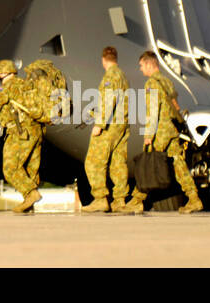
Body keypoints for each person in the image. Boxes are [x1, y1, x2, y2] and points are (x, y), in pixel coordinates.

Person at [118, 52, 203, 214]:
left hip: (161, 131)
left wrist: (149, 135)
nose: (141, 69)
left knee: (148, 163)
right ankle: (194, 198)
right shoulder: (167, 81)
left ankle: (137, 200)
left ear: (150, 65)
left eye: (142, 66)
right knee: (179, 163)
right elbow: (175, 105)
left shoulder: (152, 83)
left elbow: (152, 111)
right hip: (172, 128)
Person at [0, 59, 43, 213]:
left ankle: (31, 194)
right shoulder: (28, 85)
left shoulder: (4, 89)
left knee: (10, 168)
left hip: (19, 132)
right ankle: (29, 204)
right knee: (30, 169)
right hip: (37, 130)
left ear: (2, 74)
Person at [81, 46, 129, 213]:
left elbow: (108, 101)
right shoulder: (122, 75)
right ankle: (120, 200)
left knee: (93, 162)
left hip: (109, 126)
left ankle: (100, 198)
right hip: (121, 126)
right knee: (117, 163)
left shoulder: (110, 76)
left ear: (103, 60)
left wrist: (99, 124)